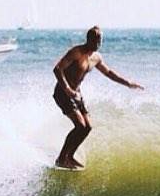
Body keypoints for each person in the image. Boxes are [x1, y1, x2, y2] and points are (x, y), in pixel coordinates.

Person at [52, 26, 144, 169]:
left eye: (100, 41)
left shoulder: (96, 57)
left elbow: (108, 72)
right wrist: (67, 89)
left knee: (87, 127)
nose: (98, 44)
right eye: (95, 40)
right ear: (88, 39)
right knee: (80, 125)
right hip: (63, 92)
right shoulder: (76, 52)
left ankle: (69, 157)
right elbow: (58, 69)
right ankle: (61, 158)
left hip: (77, 93)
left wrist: (128, 83)